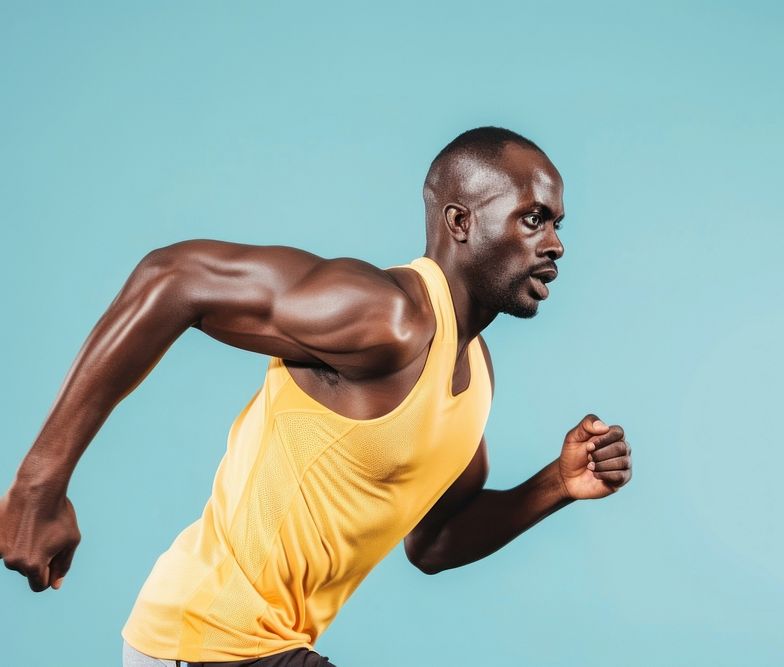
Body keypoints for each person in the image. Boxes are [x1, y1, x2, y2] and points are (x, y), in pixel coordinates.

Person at [0, 126, 633, 666]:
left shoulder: (473, 372)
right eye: (532, 218)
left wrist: (555, 483)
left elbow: (434, 544)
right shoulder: (387, 315)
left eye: (555, 223)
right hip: (206, 641)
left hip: (264, 647)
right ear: (461, 222)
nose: (555, 244)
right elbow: (175, 277)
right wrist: (39, 485)